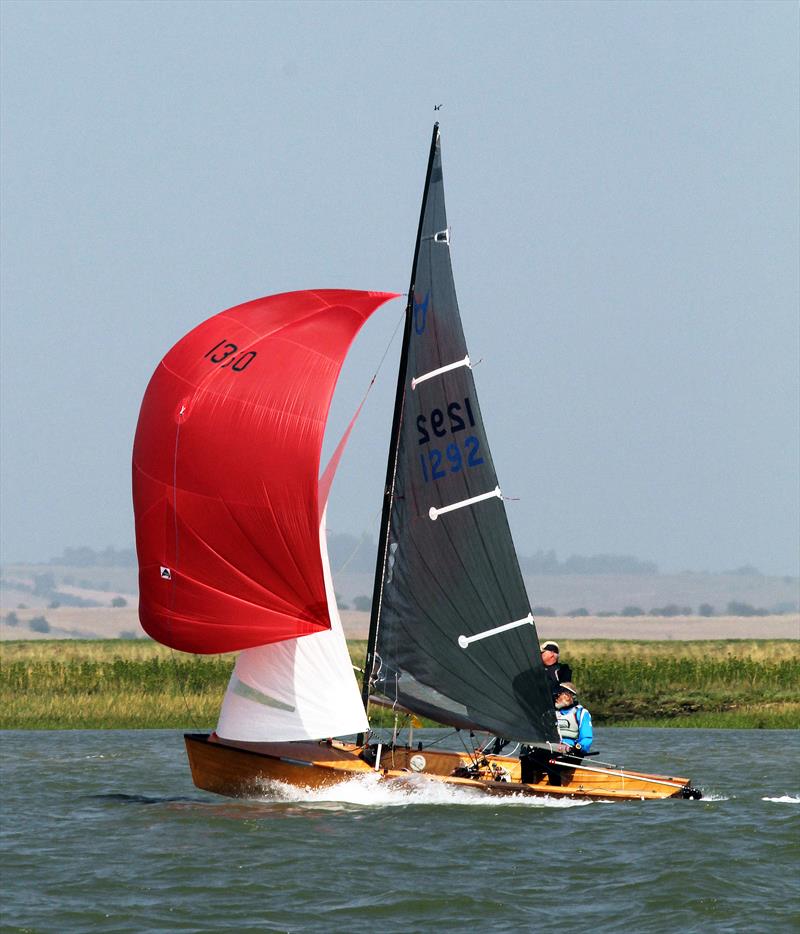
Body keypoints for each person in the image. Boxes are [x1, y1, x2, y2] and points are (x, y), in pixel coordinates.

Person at [553, 682, 592, 756]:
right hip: (550, 750)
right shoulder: (552, 713)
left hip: (570, 753)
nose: (556, 697)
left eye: (558, 694)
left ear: (568, 696)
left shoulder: (581, 713)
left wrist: (579, 747)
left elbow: (587, 738)